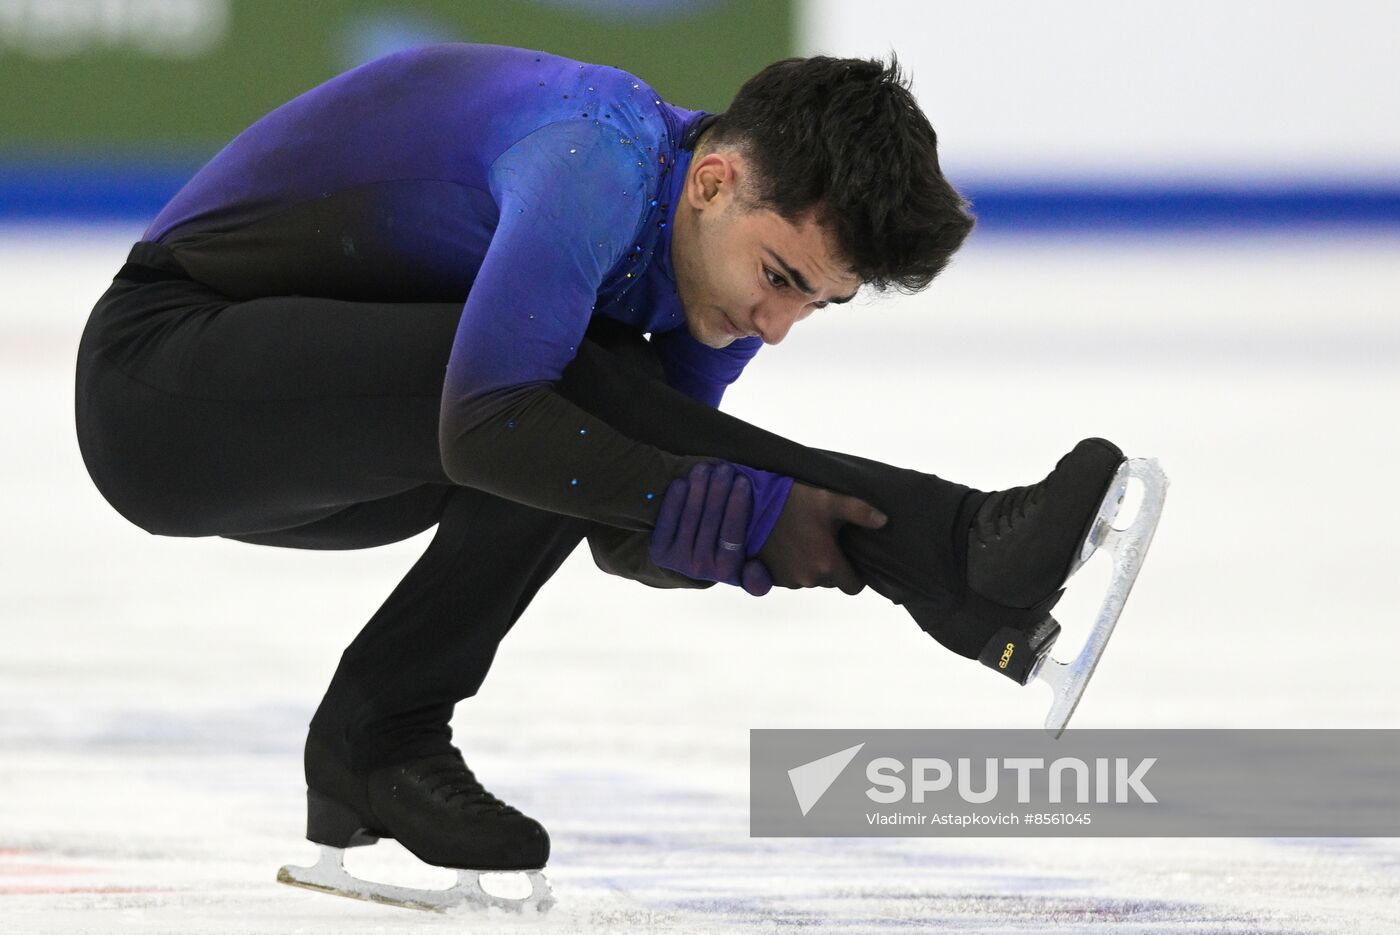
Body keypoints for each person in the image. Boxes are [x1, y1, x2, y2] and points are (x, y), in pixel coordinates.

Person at [73, 44, 1131, 910]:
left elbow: (624, 514)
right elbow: (497, 427)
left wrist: (720, 536)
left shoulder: (715, 267)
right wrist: (730, 501)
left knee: (589, 398)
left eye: (816, 302)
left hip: (358, 448)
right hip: (163, 389)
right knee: (554, 389)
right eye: (778, 279)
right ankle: (953, 550)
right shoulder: (596, 159)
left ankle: (374, 743)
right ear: (713, 180)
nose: (775, 324)